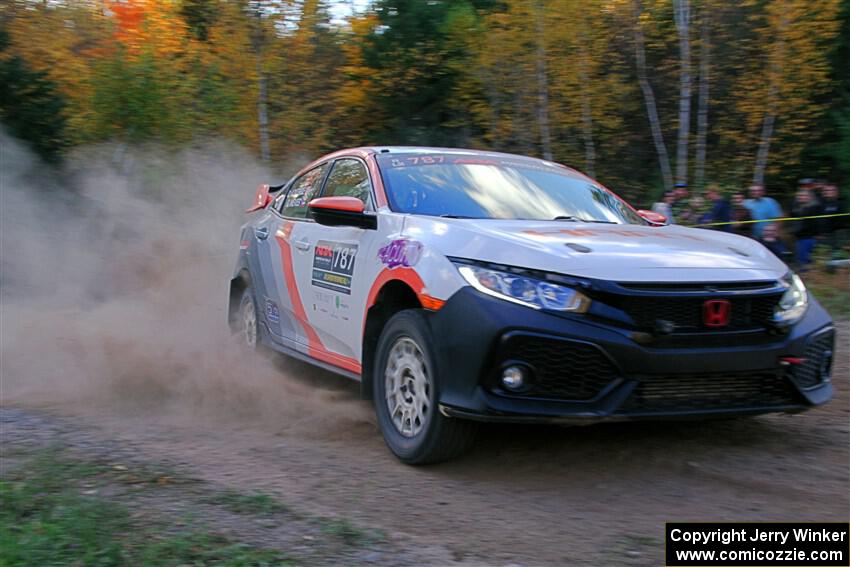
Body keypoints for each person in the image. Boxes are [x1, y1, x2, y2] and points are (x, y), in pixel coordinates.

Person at [789, 188, 822, 270]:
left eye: (803, 195)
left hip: (810, 238)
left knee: (808, 261)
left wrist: (818, 234)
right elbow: (792, 215)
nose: (800, 197)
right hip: (800, 237)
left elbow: (818, 223)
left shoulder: (814, 207)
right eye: (799, 196)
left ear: (809, 197)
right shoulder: (797, 207)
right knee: (801, 261)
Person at [819, 183, 847, 255]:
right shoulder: (822, 204)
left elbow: (842, 220)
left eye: (832, 190)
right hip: (824, 235)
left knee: (838, 254)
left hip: (838, 234)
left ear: (836, 192)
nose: (829, 192)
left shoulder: (841, 203)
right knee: (825, 254)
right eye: (827, 190)